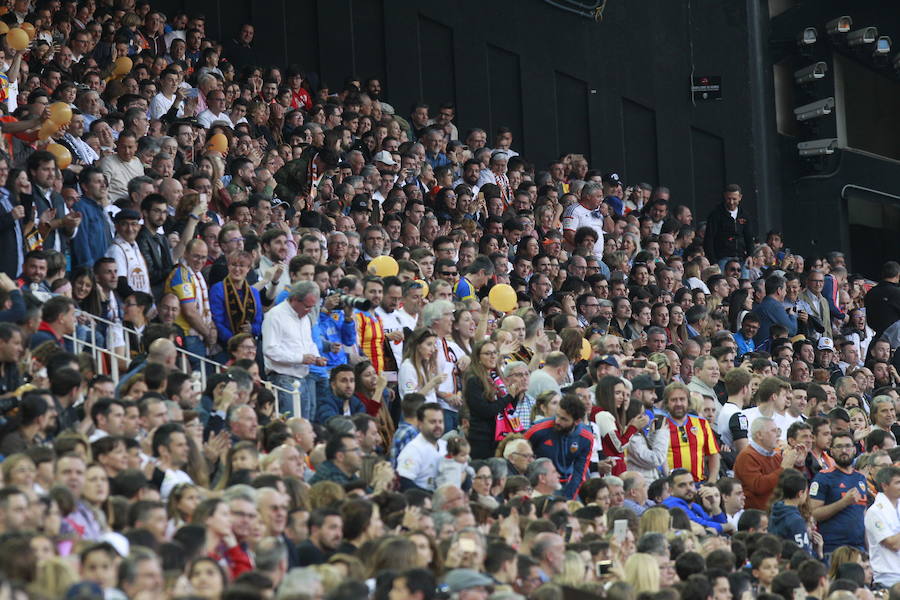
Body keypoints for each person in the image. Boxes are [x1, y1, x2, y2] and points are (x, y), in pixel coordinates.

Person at [262, 281, 326, 418]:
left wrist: (316, 357)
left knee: (304, 425)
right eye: (307, 306)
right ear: (295, 300)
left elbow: (309, 343)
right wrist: (301, 358)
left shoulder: (305, 318)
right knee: (289, 425)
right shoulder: (275, 315)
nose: (309, 310)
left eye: (312, 307)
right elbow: (269, 350)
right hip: (282, 378)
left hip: (303, 378)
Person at [525, 393, 593, 499]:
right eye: (557, 415)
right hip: (539, 483)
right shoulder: (538, 429)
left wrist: (568, 498)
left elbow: (579, 472)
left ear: (577, 421)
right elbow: (520, 453)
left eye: (564, 419)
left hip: (567, 484)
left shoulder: (586, 438)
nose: (557, 421)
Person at [809, 431, 867, 553]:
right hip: (833, 549)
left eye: (847, 446)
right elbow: (813, 513)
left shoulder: (860, 478)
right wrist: (843, 503)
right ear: (831, 451)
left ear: (854, 450)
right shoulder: (822, 477)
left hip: (859, 548)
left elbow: (863, 515)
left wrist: (869, 551)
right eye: (839, 447)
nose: (844, 450)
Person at [733, 417, 800, 510]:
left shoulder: (776, 457)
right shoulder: (747, 455)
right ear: (759, 435)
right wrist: (783, 468)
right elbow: (758, 487)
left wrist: (798, 464)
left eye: (778, 431)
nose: (778, 435)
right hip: (757, 515)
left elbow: (793, 483)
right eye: (773, 431)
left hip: (776, 512)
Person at [662, 381, 720, 482]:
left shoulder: (701, 423)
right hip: (671, 487)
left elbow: (713, 454)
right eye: (674, 400)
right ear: (667, 403)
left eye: (682, 399)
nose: (679, 403)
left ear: (688, 402)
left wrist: (711, 482)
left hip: (698, 484)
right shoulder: (660, 425)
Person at [864, 465, 900, 588]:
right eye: (898, 483)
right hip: (888, 579)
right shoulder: (875, 512)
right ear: (885, 486)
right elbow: (893, 544)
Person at [703, 184, 754, 264]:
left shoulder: (745, 215)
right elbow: (709, 239)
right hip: (722, 258)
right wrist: (713, 261)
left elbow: (749, 238)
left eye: (734, 199)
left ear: (740, 197)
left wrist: (750, 255)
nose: (731, 202)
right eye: (728, 199)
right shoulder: (715, 215)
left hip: (742, 258)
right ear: (724, 196)